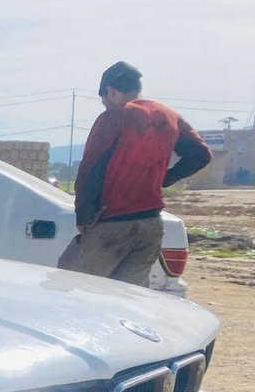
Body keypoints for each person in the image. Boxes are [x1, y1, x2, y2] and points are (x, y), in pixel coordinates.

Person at [59, 61, 211, 286]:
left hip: (113, 224)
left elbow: (90, 170)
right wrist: (165, 178)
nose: (105, 105)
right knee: (128, 296)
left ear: (110, 91)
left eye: (104, 100)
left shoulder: (114, 117)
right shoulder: (169, 116)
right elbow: (201, 154)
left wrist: (83, 216)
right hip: (150, 225)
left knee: (68, 282)